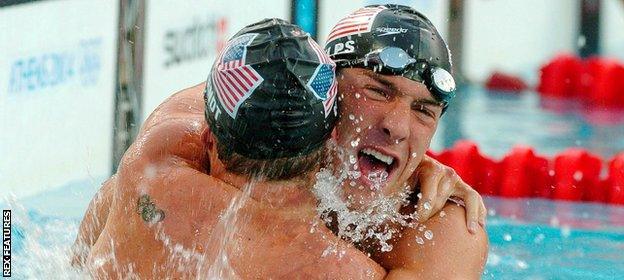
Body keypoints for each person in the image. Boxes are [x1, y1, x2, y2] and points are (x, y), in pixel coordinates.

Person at [73, 7, 487, 279]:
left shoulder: (442, 235)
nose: (397, 127)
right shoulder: (189, 131)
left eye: (424, 111)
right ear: (326, 90)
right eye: (379, 90)